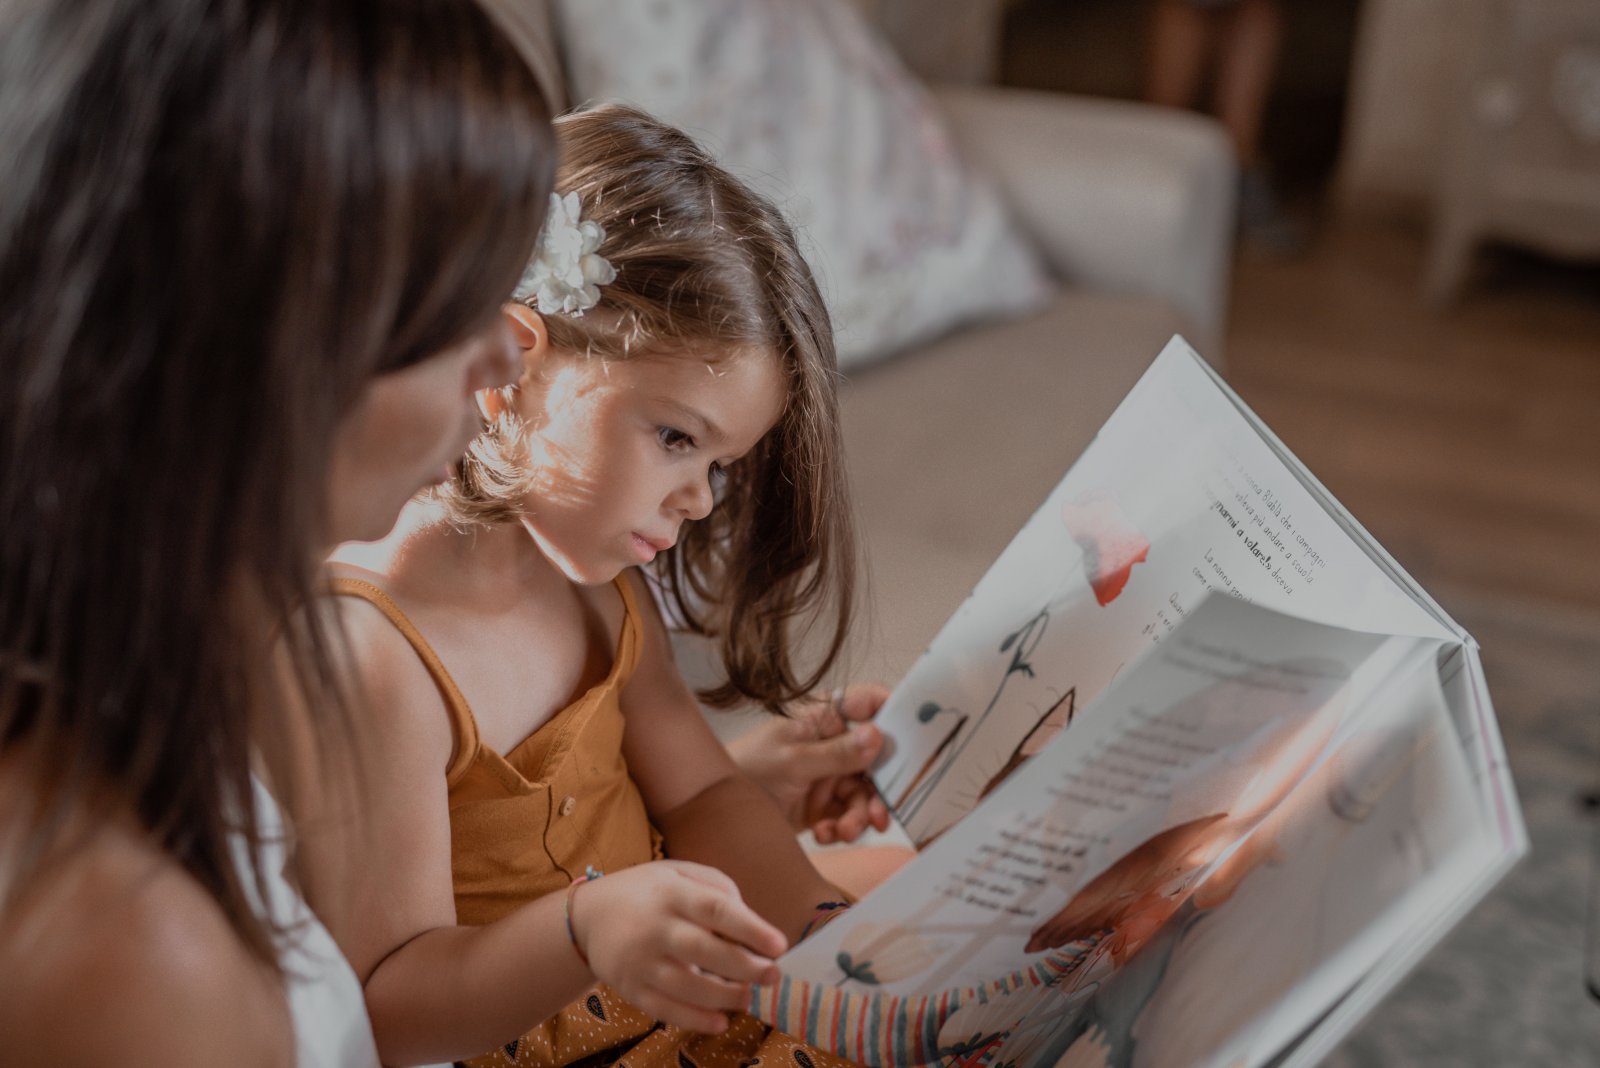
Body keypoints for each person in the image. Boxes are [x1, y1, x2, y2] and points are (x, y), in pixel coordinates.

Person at [0, 0, 558, 1063]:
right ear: (258, 352)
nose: (505, 361)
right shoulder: (130, 964)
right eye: (456, 310)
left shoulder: (151, 670)